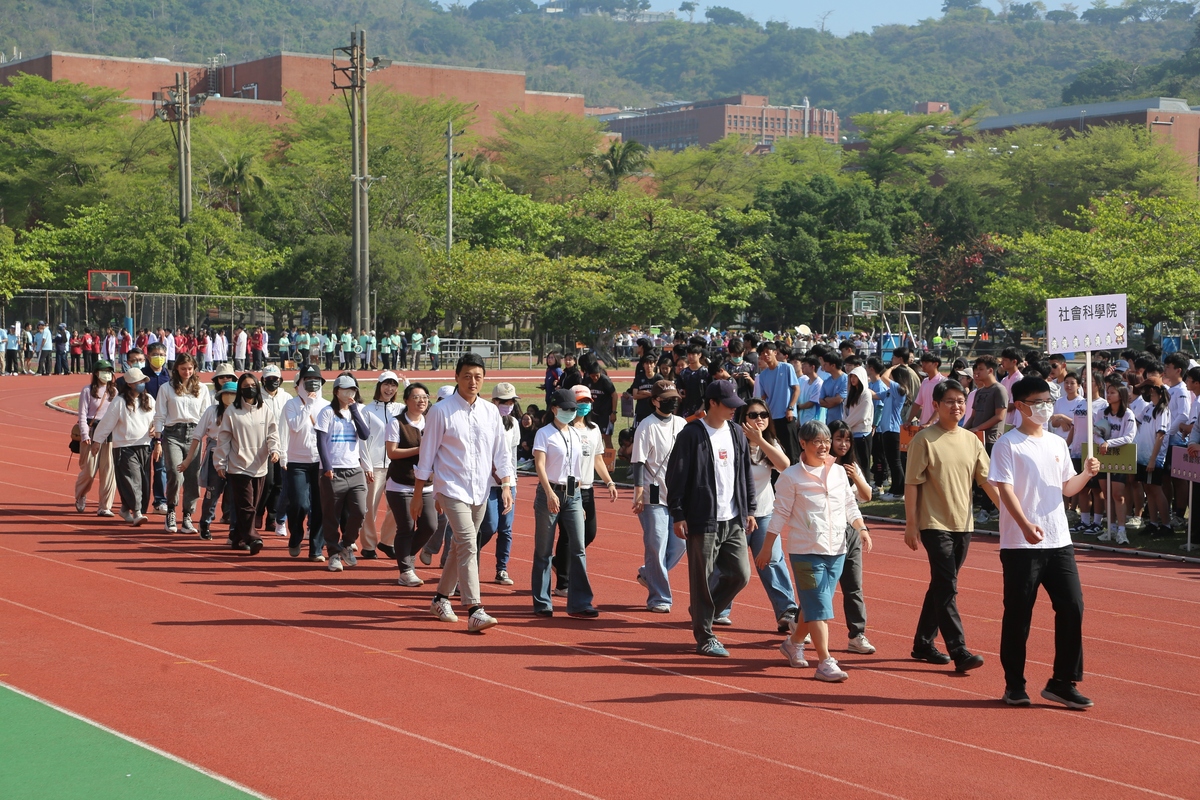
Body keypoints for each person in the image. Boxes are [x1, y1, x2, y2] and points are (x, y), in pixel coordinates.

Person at [991, 376, 1099, 709]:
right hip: (1021, 544)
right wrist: (1024, 524)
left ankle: (1062, 682)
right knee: (1018, 614)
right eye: (1038, 402)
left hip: (1058, 541)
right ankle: (1014, 685)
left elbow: (1067, 488)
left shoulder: (1056, 443)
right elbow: (1004, 489)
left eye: (1048, 401)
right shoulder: (1008, 444)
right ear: (1020, 406)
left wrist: (1087, 474)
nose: (1045, 407)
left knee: (1072, 606)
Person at [760, 420, 872, 681]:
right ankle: (825, 662)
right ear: (803, 443)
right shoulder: (791, 476)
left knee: (814, 606)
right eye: (817, 442)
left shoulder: (838, 472)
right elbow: (780, 513)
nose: (823, 446)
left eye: (826, 441)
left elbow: (849, 505)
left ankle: (793, 643)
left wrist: (862, 528)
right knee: (820, 608)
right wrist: (767, 547)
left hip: (837, 550)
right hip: (805, 552)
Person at [412, 353, 513, 633]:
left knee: (460, 545)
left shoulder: (490, 412)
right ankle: (474, 609)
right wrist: (419, 494)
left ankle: (440, 599)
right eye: (467, 376)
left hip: (480, 489)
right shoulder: (441, 411)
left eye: (478, 377)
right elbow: (427, 455)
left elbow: (501, 452)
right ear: (456, 377)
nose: (472, 381)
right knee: (468, 542)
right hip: (450, 487)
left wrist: (506, 484)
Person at [904, 379, 998, 672]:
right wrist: (911, 525)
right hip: (934, 523)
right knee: (947, 586)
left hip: (963, 524)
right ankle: (959, 651)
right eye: (949, 401)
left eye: (961, 401)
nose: (956, 406)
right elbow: (911, 484)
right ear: (936, 405)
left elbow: (987, 481)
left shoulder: (972, 440)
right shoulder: (924, 439)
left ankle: (923, 643)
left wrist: (1009, 513)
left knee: (941, 585)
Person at [665, 380, 756, 658]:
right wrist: (678, 514)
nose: (734, 409)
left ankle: (703, 610)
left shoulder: (737, 432)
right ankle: (705, 636)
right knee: (701, 580)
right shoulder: (691, 434)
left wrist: (750, 509)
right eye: (728, 405)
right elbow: (676, 476)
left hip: (734, 519)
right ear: (712, 403)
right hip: (703, 519)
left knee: (741, 574)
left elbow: (745, 473)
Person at [715, 397, 797, 631]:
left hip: (765, 513)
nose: (759, 419)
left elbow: (785, 467)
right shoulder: (731, 440)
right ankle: (718, 607)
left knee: (772, 560)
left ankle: (787, 611)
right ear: (743, 419)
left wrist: (760, 440)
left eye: (763, 415)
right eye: (753, 415)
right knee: (732, 565)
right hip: (735, 515)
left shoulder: (769, 442)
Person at [531, 388, 600, 618]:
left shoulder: (575, 434)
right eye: (566, 409)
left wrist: (578, 502)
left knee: (578, 548)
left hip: (573, 495)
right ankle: (543, 602)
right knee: (544, 550)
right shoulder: (544, 434)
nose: (571, 412)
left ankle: (581, 602)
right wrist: (549, 493)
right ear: (554, 409)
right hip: (549, 493)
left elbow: (577, 467)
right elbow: (540, 465)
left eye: (573, 409)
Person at [552, 384, 619, 598]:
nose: (584, 405)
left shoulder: (594, 429)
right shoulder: (565, 429)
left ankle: (559, 562)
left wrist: (609, 482)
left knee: (589, 533)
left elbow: (598, 458)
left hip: (588, 489)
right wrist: (574, 497)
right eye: (580, 401)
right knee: (569, 535)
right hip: (570, 490)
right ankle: (563, 583)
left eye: (587, 402)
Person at [632, 380, 689, 613]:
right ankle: (659, 597)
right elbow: (638, 461)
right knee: (656, 544)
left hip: (678, 495)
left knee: (680, 544)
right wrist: (638, 493)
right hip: (653, 492)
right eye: (666, 399)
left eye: (675, 398)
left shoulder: (682, 423)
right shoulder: (646, 426)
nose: (672, 402)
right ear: (655, 401)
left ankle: (650, 573)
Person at [215, 372, 281, 555]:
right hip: (238, 465)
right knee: (246, 506)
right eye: (245, 387)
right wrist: (220, 463)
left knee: (252, 504)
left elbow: (272, 433)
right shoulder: (232, 412)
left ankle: (237, 537)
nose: (249, 389)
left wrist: (275, 450)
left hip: (260, 466)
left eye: (253, 386)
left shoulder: (265, 409)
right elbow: (223, 439)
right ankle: (253, 537)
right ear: (240, 390)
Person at [314, 374, 372, 571]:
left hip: (354, 470)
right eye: (346, 390)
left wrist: (354, 410)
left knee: (360, 510)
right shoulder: (327, 412)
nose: (350, 393)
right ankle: (333, 553)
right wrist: (327, 466)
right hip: (333, 471)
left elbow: (364, 434)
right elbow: (321, 441)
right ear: (336, 391)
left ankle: (346, 544)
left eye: (353, 390)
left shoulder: (358, 411)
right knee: (331, 515)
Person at [153, 353, 212, 534]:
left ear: (194, 369)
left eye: (190, 368)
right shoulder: (166, 388)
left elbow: (206, 415)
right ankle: (171, 510)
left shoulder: (202, 389)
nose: (187, 372)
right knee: (175, 473)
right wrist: (158, 440)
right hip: (172, 434)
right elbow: (160, 415)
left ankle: (187, 515)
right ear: (176, 369)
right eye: (183, 368)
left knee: (193, 477)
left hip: (194, 434)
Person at [385, 382, 437, 586]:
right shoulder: (396, 423)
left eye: (424, 397)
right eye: (416, 397)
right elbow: (392, 452)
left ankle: (406, 555)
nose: (421, 401)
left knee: (430, 526)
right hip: (400, 484)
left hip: (427, 484)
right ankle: (406, 571)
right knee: (406, 526)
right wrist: (420, 449)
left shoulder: (431, 422)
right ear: (406, 400)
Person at [92, 366, 156, 527]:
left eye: (143, 381)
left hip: (145, 445)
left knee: (143, 482)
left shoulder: (149, 399)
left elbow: (157, 418)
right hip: (124, 447)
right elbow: (107, 423)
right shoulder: (119, 402)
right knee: (132, 479)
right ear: (129, 384)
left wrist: (156, 428)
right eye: (138, 381)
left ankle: (125, 509)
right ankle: (137, 512)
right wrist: (97, 441)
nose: (141, 384)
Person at [180, 370, 238, 541]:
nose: (230, 397)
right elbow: (197, 435)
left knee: (235, 494)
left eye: (234, 394)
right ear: (220, 396)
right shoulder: (212, 411)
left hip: (236, 455)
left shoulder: (242, 412)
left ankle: (234, 530)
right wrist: (188, 459)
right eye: (226, 394)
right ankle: (205, 522)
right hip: (215, 453)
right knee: (213, 492)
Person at [282, 364, 330, 561]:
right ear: (300, 382)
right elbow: (294, 426)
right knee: (299, 504)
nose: (312, 384)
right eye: (307, 380)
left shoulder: (327, 405)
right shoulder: (291, 404)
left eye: (316, 380)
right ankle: (296, 534)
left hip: (320, 461)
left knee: (320, 506)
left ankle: (316, 548)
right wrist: (308, 405)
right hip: (297, 461)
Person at [477, 383, 523, 586]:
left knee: (506, 528)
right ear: (494, 401)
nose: (508, 405)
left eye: (511, 401)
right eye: (504, 401)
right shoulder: (483, 421)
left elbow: (512, 454)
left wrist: (512, 480)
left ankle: (501, 569)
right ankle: (468, 553)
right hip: (487, 483)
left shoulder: (512, 423)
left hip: (508, 482)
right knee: (489, 525)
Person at [361, 370, 404, 558]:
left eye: (393, 385)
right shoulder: (367, 410)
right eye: (386, 384)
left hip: (396, 466)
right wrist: (366, 465)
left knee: (397, 507)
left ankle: (387, 541)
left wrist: (408, 384)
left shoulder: (400, 409)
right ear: (379, 386)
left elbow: (419, 405)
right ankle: (368, 545)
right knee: (369, 507)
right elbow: (362, 441)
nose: (389, 389)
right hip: (375, 466)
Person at [74, 359, 118, 517]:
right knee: (89, 470)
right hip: (92, 431)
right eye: (103, 371)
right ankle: (81, 494)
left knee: (109, 471)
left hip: (109, 433)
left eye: (109, 371)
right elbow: (82, 414)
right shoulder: (87, 391)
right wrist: (85, 434)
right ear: (96, 373)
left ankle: (105, 506)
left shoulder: (114, 392)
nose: (106, 374)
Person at [1095, 381, 1136, 545]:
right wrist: (1101, 443)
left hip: (1120, 457)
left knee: (1118, 494)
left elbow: (1129, 437)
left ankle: (1121, 530)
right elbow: (1096, 433)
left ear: (1121, 395)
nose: (1108, 395)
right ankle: (1110, 528)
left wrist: (1109, 443)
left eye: (1112, 392)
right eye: (1108, 392)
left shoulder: (1128, 414)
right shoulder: (1101, 413)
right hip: (1103, 456)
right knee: (1106, 493)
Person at [754, 341, 801, 466]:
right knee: (777, 450)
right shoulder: (762, 376)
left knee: (792, 452)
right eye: (762, 353)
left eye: (767, 352)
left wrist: (790, 408)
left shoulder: (787, 368)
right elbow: (763, 397)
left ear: (775, 352)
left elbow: (796, 389)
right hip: (772, 418)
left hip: (786, 415)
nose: (765, 355)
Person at [583, 361, 618, 450]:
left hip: (606, 414)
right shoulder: (587, 380)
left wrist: (613, 412)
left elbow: (614, 395)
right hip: (594, 413)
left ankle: (610, 459)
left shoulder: (605, 380)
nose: (595, 378)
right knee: (594, 438)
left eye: (597, 375)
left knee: (606, 438)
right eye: (592, 376)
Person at [909, 353, 946, 427]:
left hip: (937, 426)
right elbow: (917, 403)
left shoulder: (943, 382)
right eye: (922, 362)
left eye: (926, 362)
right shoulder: (925, 381)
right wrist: (908, 420)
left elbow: (941, 407)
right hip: (923, 425)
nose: (923, 365)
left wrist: (929, 423)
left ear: (935, 364)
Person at [676, 344, 711, 419]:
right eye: (689, 354)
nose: (690, 357)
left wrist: (702, 408)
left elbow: (709, 393)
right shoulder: (683, 373)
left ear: (699, 355)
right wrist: (680, 392)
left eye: (693, 354)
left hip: (703, 410)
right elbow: (679, 388)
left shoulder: (706, 372)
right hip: (686, 410)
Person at [627, 355, 659, 424]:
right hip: (641, 412)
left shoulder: (658, 378)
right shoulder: (639, 378)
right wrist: (650, 394)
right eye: (646, 363)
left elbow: (658, 395)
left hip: (654, 411)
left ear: (654, 364)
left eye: (651, 363)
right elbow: (635, 396)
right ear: (643, 365)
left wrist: (644, 392)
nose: (649, 366)